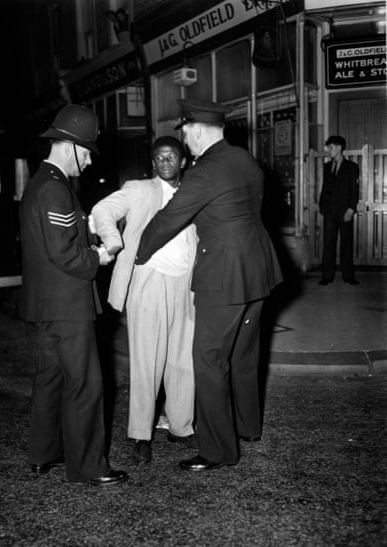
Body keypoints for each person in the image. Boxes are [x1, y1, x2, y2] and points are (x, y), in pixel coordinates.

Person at [136, 99, 283, 471]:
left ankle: (218, 450)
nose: (184, 139)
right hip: (259, 271)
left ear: (198, 130)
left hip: (223, 276)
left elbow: (170, 218)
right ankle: (248, 427)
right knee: (245, 356)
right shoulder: (247, 161)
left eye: (185, 132)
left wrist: (139, 252)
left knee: (208, 359)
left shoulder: (205, 171)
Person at [19, 104, 127, 486]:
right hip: (67, 303)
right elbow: (63, 252)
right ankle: (88, 467)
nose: (88, 161)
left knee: (52, 377)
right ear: (69, 146)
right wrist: (99, 255)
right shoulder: (54, 188)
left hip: (50, 302)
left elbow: (55, 242)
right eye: (87, 152)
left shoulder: (41, 183)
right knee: (85, 382)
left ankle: (44, 453)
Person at [91, 136, 198, 463]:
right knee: (146, 362)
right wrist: (113, 241)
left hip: (186, 283)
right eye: (159, 158)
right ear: (153, 163)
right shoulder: (139, 190)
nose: (165, 162)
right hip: (148, 281)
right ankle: (140, 434)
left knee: (183, 360)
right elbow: (102, 209)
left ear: (182, 162)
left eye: (171, 157)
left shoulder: (194, 191)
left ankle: (182, 426)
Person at [318, 135, 359, 285]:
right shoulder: (327, 166)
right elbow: (325, 188)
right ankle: (327, 276)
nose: (329, 150)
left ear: (340, 147)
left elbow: (354, 190)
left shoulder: (352, 167)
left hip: (345, 211)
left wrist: (351, 209)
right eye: (328, 147)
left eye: (331, 147)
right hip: (329, 211)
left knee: (346, 243)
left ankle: (348, 276)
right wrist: (322, 205)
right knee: (328, 243)